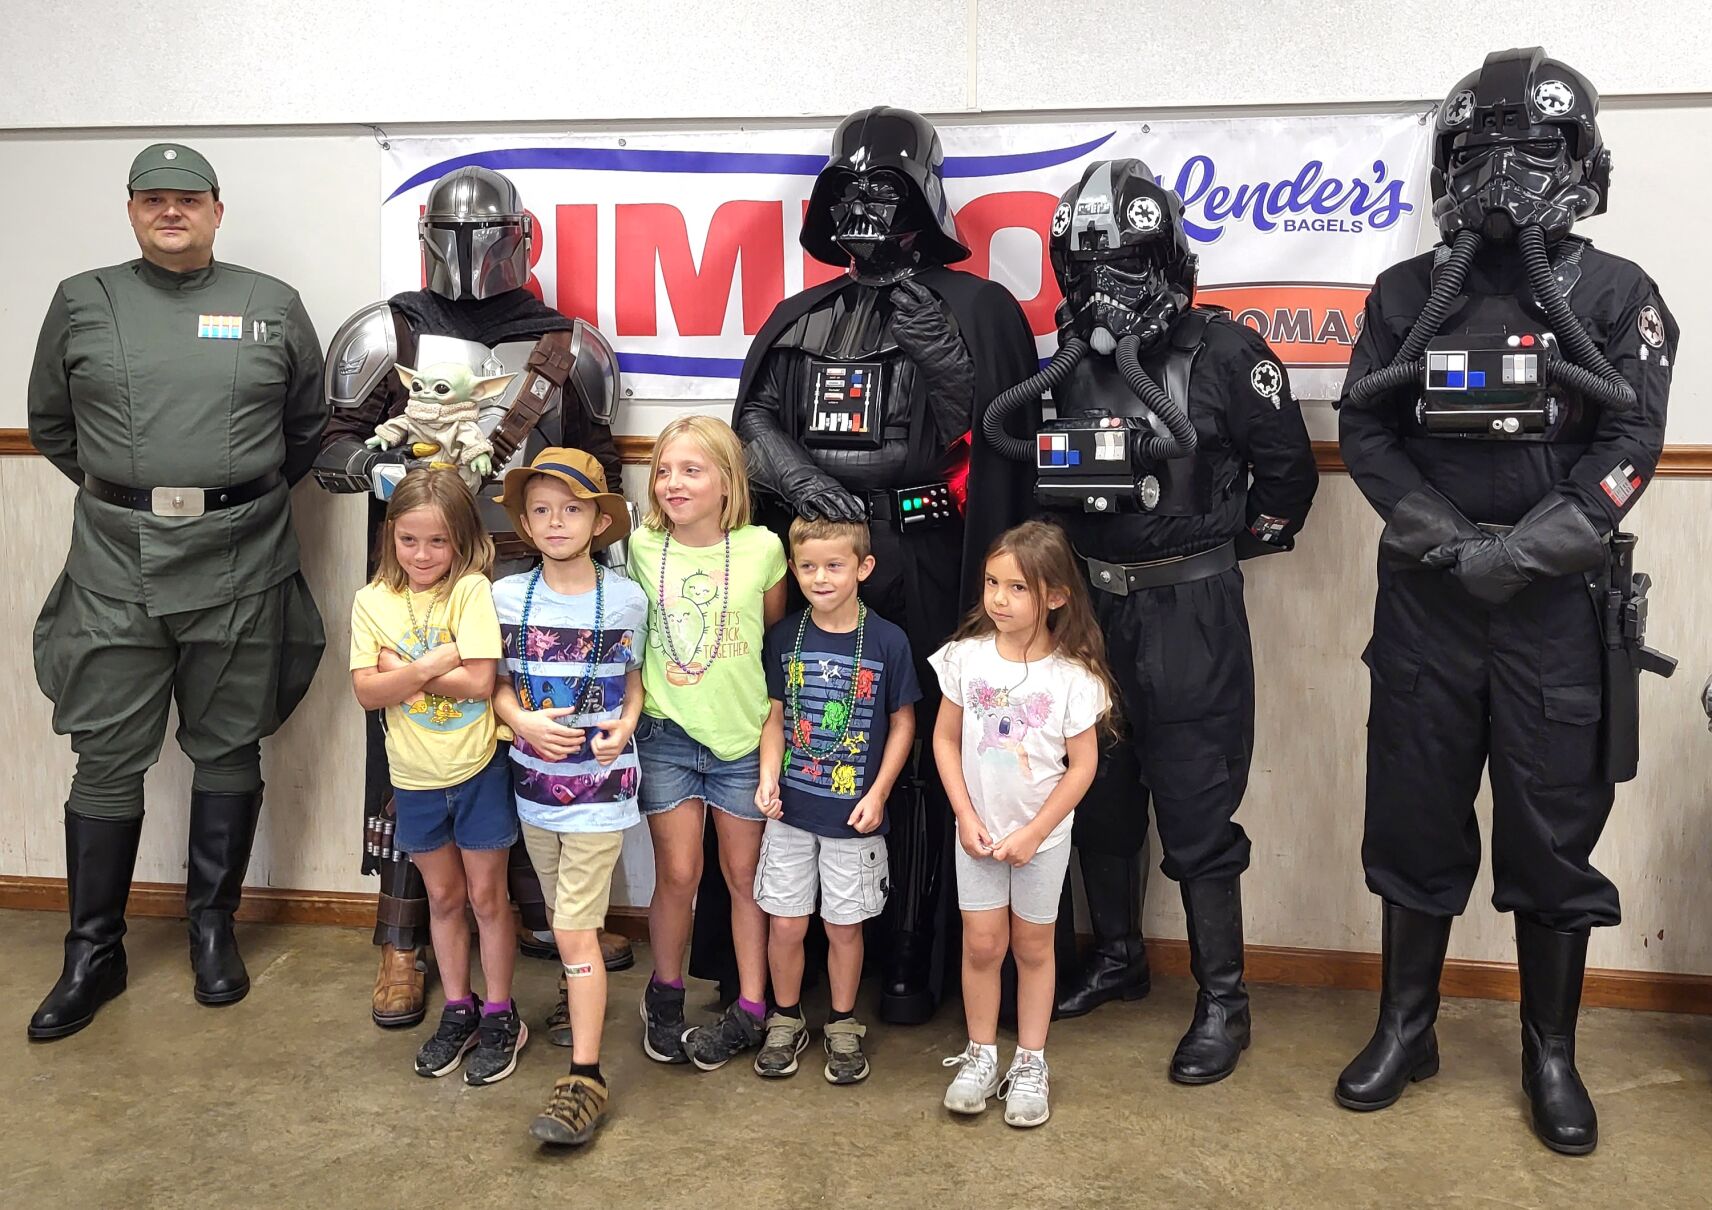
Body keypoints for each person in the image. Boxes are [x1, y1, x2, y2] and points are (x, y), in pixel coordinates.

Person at [1335, 48, 1676, 1156]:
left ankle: (1549, 1052)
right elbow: (1368, 433)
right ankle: (1405, 1026)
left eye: (1529, 151)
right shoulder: (1401, 294)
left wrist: (1528, 553)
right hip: (1428, 605)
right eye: (1476, 150)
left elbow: (1631, 441)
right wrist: (1445, 544)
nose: (1499, 176)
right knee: (1412, 814)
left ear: (1579, 163)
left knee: (1550, 833)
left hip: (1552, 615)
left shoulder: (1618, 294)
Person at [984, 159, 1317, 1080]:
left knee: (1198, 806)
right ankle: (1120, 958)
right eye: (1083, 271)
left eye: (1124, 267)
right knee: (1101, 795)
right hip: (1087, 610)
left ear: (1168, 261)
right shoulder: (1060, 366)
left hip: (1189, 611)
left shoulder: (1224, 353)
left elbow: (1288, 478)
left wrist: (1206, 551)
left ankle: (1224, 1002)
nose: (1101, 291)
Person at [732, 106, 1040, 1022]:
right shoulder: (800, 315)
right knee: (824, 729)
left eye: (886, 186)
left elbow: (983, 424)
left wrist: (924, 322)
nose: (866, 204)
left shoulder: (977, 310)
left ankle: (912, 945)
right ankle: (826, 951)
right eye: (851, 188)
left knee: (921, 744)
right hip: (823, 558)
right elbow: (755, 420)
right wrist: (802, 484)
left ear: (922, 197)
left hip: (926, 553)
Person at [316, 165, 631, 1030]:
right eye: (449, 236)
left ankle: (545, 914)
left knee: (531, 733)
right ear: (425, 234)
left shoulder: (568, 343)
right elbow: (330, 447)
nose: (468, 253)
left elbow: (599, 462)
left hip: (532, 574)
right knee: (410, 748)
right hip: (421, 571)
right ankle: (402, 939)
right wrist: (381, 469)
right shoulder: (391, 329)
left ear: (523, 239)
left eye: (484, 235)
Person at [26, 142, 326, 1040]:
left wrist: (227, 494)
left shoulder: (270, 304)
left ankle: (211, 929)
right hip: (115, 563)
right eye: (152, 199)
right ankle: (93, 950)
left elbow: (306, 428)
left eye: (187, 199)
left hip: (241, 559)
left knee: (230, 746)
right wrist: (136, 492)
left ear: (216, 210)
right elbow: (51, 425)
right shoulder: (84, 300)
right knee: (107, 755)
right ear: (130, 210)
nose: (170, 212)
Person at [930, 521, 1116, 1128]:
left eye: (1016, 588)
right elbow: (944, 738)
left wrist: (1035, 831)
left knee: (1034, 947)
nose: (998, 599)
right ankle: (981, 1054)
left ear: (1056, 596)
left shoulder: (1073, 676)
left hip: (1042, 840)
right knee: (982, 945)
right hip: (977, 836)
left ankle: (1031, 1060)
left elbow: (1082, 765)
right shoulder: (965, 659)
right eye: (991, 583)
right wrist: (964, 815)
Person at [348, 470, 525, 1086]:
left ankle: (501, 1012)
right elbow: (367, 693)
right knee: (444, 900)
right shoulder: (372, 601)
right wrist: (436, 659)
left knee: (486, 898)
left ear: (463, 542)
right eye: (409, 541)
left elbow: (480, 684)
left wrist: (402, 668)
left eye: (438, 543)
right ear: (389, 538)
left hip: (478, 770)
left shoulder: (472, 590)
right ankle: (459, 1007)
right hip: (414, 777)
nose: (422, 556)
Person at [491, 447, 646, 1145]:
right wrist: (518, 718)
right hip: (533, 793)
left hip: (601, 795)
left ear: (598, 520)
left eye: (572, 509)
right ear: (524, 522)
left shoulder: (626, 600)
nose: (557, 522)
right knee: (560, 922)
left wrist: (628, 723)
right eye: (543, 510)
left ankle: (586, 1075)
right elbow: (493, 682)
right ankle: (574, 1007)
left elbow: (634, 680)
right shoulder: (501, 597)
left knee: (577, 930)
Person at [627, 416, 788, 1069]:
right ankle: (665, 994)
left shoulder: (763, 550)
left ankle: (752, 1004)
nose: (673, 483)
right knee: (680, 872)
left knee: (743, 876)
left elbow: (770, 639)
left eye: (691, 470)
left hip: (741, 740)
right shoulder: (640, 549)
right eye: (664, 470)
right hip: (666, 734)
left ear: (727, 482)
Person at [752, 518, 921, 1083]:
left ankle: (843, 1024)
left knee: (845, 927)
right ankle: (785, 1018)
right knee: (785, 925)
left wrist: (879, 793)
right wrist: (768, 777)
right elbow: (774, 717)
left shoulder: (888, 640)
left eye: (834, 565)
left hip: (854, 816)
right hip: (791, 814)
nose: (820, 577)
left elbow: (904, 724)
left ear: (863, 568)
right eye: (807, 567)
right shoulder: (784, 637)